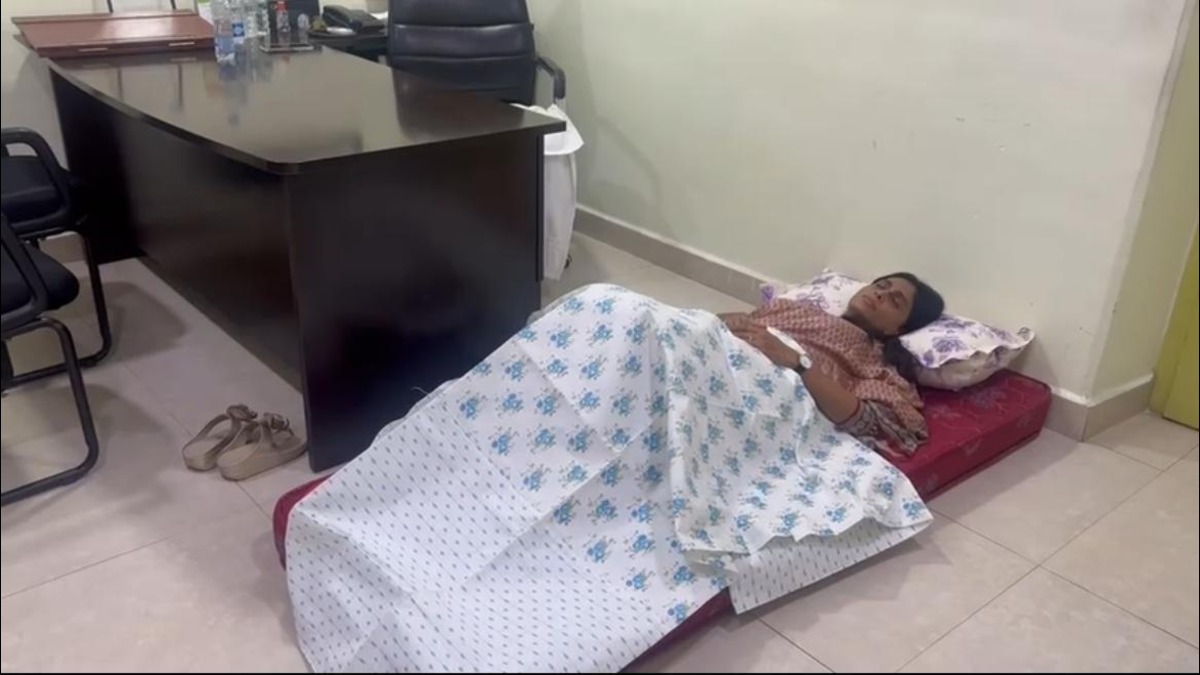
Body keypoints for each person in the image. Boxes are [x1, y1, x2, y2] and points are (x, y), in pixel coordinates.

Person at [720, 273, 944, 457]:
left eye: (895, 301)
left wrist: (798, 363)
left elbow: (871, 423)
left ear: (899, 329)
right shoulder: (788, 307)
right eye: (881, 286)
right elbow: (721, 326)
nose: (879, 294)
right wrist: (724, 321)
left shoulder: (878, 367)